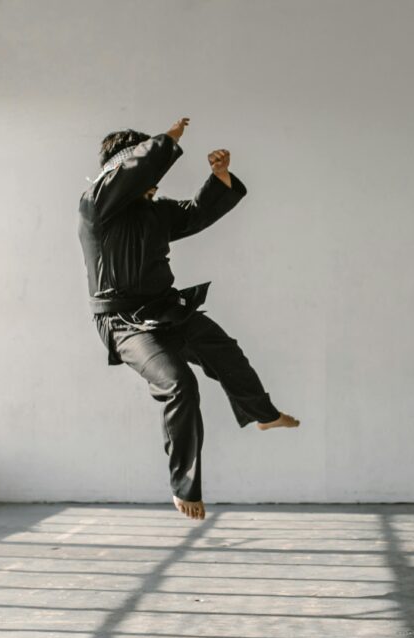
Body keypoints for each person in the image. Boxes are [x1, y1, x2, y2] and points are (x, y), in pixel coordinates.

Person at [78, 117, 299, 521]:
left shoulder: (153, 211)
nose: (155, 185)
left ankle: (261, 415)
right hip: (123, 323)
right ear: (122, 169)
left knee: (224, 351)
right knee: (180, 384)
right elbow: (135, 169)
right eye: (147, 172)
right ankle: (184, 486)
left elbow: (196, 213)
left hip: (167, 308)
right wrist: (168, 140)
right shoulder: (96, 205)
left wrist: (220, 177)